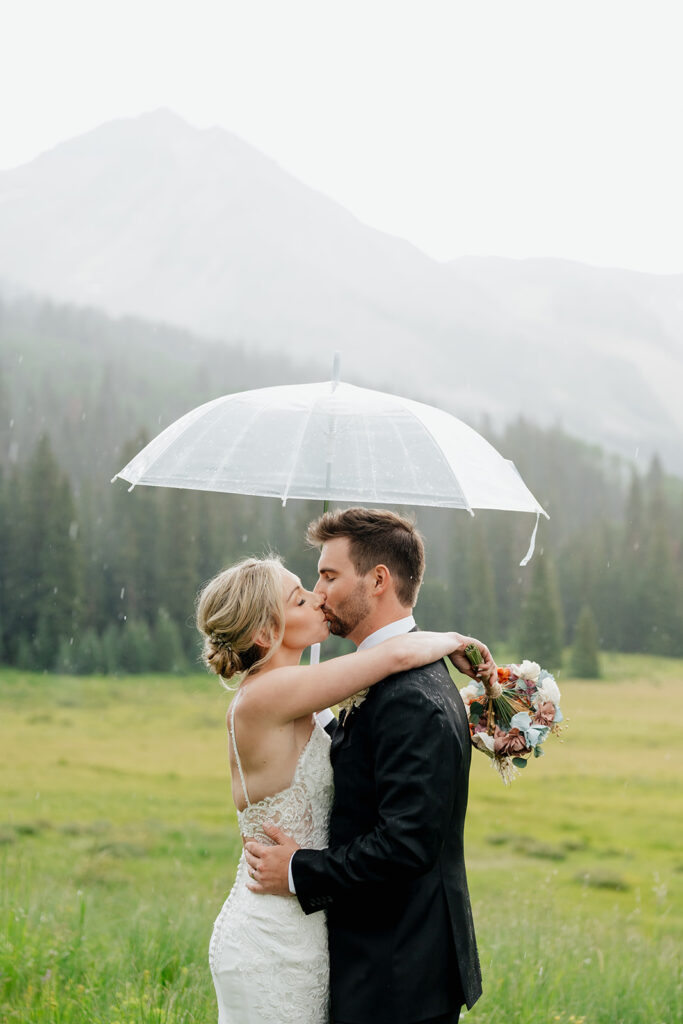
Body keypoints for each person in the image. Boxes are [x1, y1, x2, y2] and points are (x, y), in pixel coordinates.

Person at [197, 546, 492, 1024]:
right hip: (270, 933)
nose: (317, 599)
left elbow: (363, 739)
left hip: (307, 924)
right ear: (264, 632)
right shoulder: (265, 695)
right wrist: (459, 641)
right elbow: (392, 655)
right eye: (298, 600)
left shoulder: (302, 699)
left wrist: (458, 719)